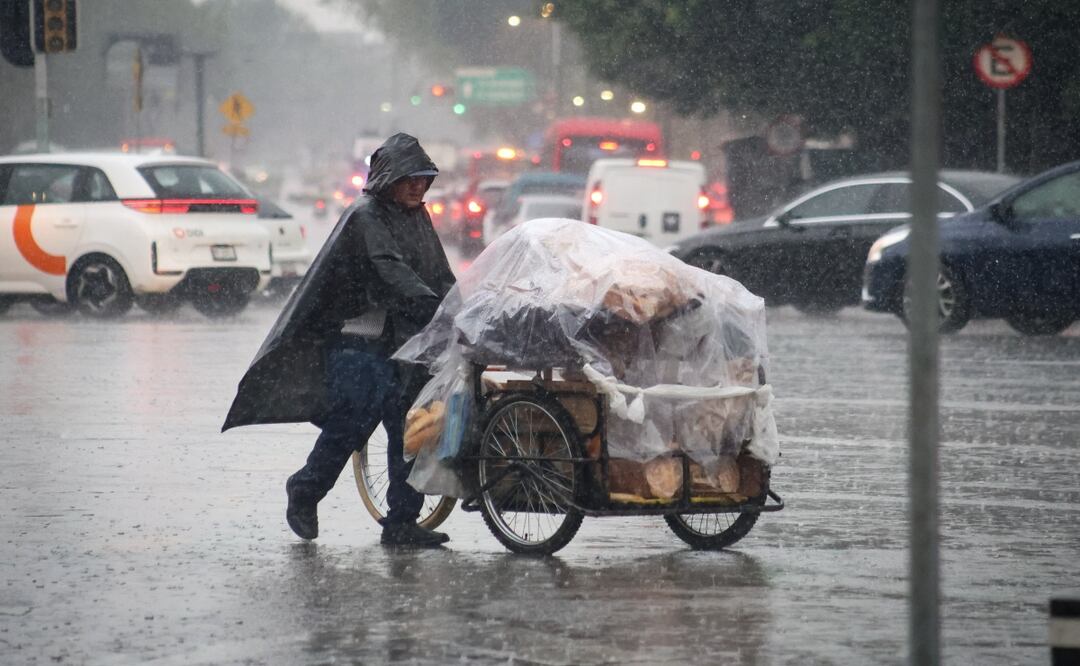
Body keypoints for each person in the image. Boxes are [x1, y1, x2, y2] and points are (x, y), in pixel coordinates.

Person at [222, 133, 456, 547]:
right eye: (409, 179)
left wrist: (460, 307)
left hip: (402, 339)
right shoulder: (365, 216)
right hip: (356, 340)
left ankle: (401, 521)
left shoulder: (418, 216)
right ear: (388, 179)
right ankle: (305, 489)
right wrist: (430, 305)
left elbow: (438, 273)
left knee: (408, 429)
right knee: (354, 420)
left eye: (423, 178)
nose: (418, 187)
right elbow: (390, 271)